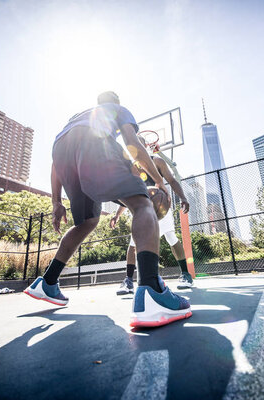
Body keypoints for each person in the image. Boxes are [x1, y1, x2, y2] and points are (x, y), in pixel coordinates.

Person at [24, 91, 191, 327]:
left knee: (87, 222)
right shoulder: (118, 110)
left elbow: (56, 165)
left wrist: (56, 201)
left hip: (62, 152)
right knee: (142, 204)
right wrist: (158, 180)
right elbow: (132, 144)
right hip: (93, 145)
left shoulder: (77, 119)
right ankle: (152, 290)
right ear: (116, 102)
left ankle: (47, 282)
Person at [110, 139, 192, 295]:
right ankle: (128, 281)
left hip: (161, 206)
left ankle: (185, 274)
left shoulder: (157, 161)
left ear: (145, 146)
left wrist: (183, 198)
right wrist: (116, 215)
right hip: (141, 208)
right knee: (133, 243)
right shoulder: (131, 168)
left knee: (171, 237)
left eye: (140, 143)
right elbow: (128, 194)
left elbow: (172, 180)